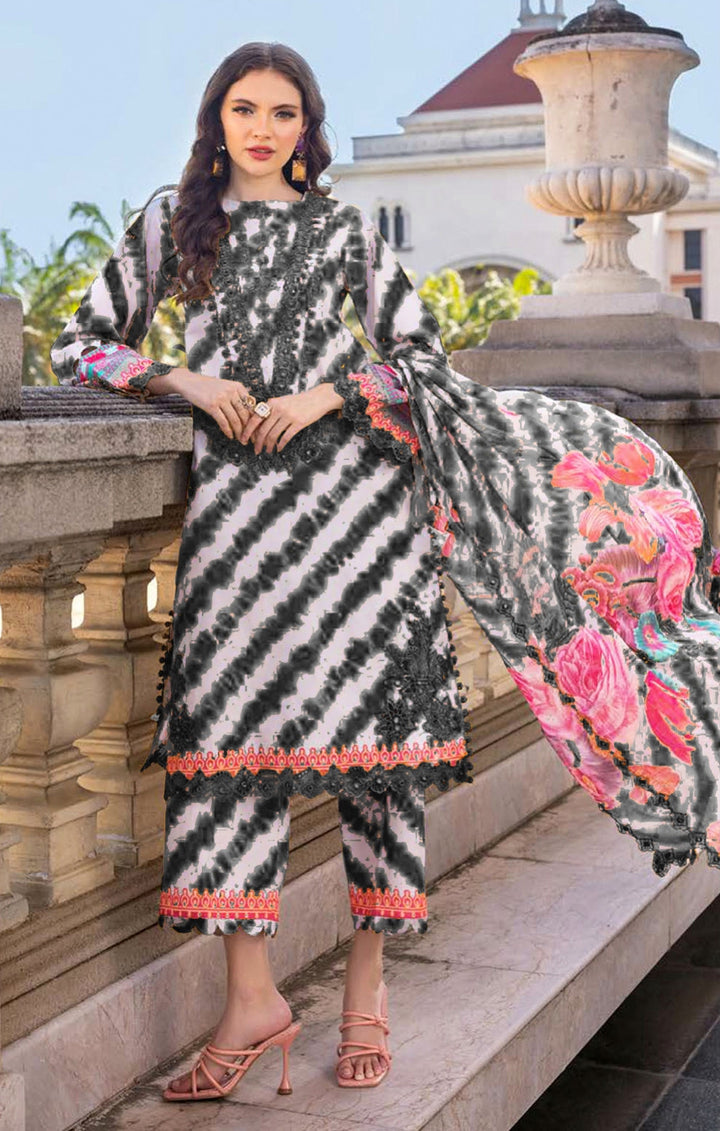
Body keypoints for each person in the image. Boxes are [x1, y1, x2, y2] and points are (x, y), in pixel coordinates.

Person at [50, 40, 720, 1105]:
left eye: (283, 112)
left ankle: (368, 990)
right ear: (216, 119)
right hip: (240, 521)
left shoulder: (344, 229)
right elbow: (81, 346)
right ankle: (251, 1001)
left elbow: (420, 358)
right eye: (244, 109)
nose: (262, 129)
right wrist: (185, 380)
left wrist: (327, 394)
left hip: (363, 516)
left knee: (379, 756)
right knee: (226, 742)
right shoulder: (173, 222)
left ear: (306, 128)